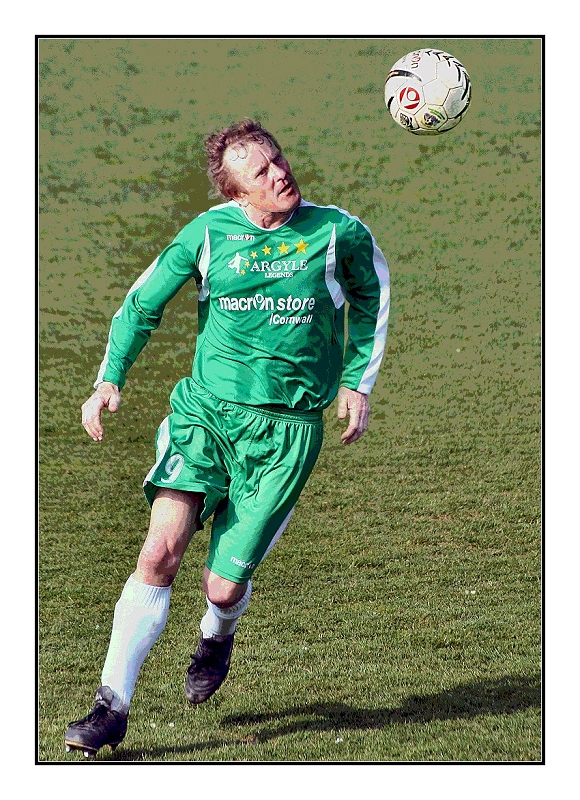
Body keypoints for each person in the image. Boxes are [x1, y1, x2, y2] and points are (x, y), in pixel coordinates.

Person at [64, 118, 390, 757]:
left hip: (285, 434)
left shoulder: (336, 233)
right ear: (236, 193)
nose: (279, 174)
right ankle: (111, 707)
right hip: (206, 416)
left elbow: (371, 293)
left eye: (278, 160)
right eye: (261, 172)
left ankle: (216, 634)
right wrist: (108, 380)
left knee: (222, 586)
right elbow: (141, 304)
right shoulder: (209, 234)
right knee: (159, 553)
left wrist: (358, 381)